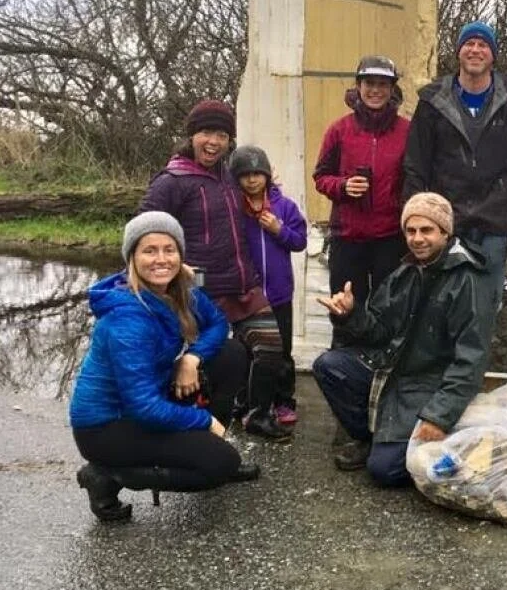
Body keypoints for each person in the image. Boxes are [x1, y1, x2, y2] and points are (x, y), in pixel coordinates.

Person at [70, 212, 260, 522]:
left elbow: (217, 322)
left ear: (181, 255)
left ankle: (208, 444)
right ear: (132, 258)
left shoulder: (176, 291)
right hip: (107, 427)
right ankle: (107, 476)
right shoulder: (127, 320)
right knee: (219, 464)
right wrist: (201, 420)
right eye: (149, 250)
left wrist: (191, 358)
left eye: (169, 250)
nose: (161, 259)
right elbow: (144, 407)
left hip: (146, 400)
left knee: (231, 353)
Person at [313, 192, 495, 483]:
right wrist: (349, 314)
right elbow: (378, 331)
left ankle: (440, 438)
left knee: (384, 471)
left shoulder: (467, 280)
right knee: (329, 365)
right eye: (411, 231)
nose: (417, 238)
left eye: (427, 230)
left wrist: (439, 416)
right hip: (394, 373)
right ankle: (370, 438)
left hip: (430, 385)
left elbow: (470, 361)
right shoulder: (406, 272)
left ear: (445, 233)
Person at [139, 99, 290, 440]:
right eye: (207, 132)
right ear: (192, 135)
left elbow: (262, 187)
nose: (214, 142)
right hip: (202, 291)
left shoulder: (229, 175)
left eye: (222, 135)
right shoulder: (172, 180)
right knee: (222, 362)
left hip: (243, 284)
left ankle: (258, 414)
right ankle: (209, 431)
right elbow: (145, 228)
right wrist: (171, 268)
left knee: (270, 348)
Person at [403, 20, 507, 309]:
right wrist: (414, 218)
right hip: (446, 221)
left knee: (485, 307)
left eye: (483, 45)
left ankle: (478, 356)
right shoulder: (432, 102)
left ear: (493, 54)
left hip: (494, 222)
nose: (475, 50)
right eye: (469, 44)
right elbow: (415, 165)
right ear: (459, 51)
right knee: (441, 306)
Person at [313, 55, 411, 339]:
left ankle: (381, 370)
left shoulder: (407, 131)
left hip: (391, 238)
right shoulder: (339, 130)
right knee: (344, 308)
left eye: (383, 84)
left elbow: (416, 179)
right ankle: (341, 366)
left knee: (389, 311)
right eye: (369, 83)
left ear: (392, 89)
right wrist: (343, 186)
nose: (375, 90)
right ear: (358, 86)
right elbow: (320, 177)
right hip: (348, 237)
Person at [230, 145, 309, 426]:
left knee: (282, 352)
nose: (252, 180)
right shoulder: (233, 209)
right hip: (248, 295)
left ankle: (284, 401)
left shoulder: (284, 206)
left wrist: (279, 229)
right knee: (249, 352)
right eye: (245, 175)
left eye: (257, 173)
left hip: (278, 294)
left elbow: (299, 242)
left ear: (266, 174)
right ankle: (249, 402)